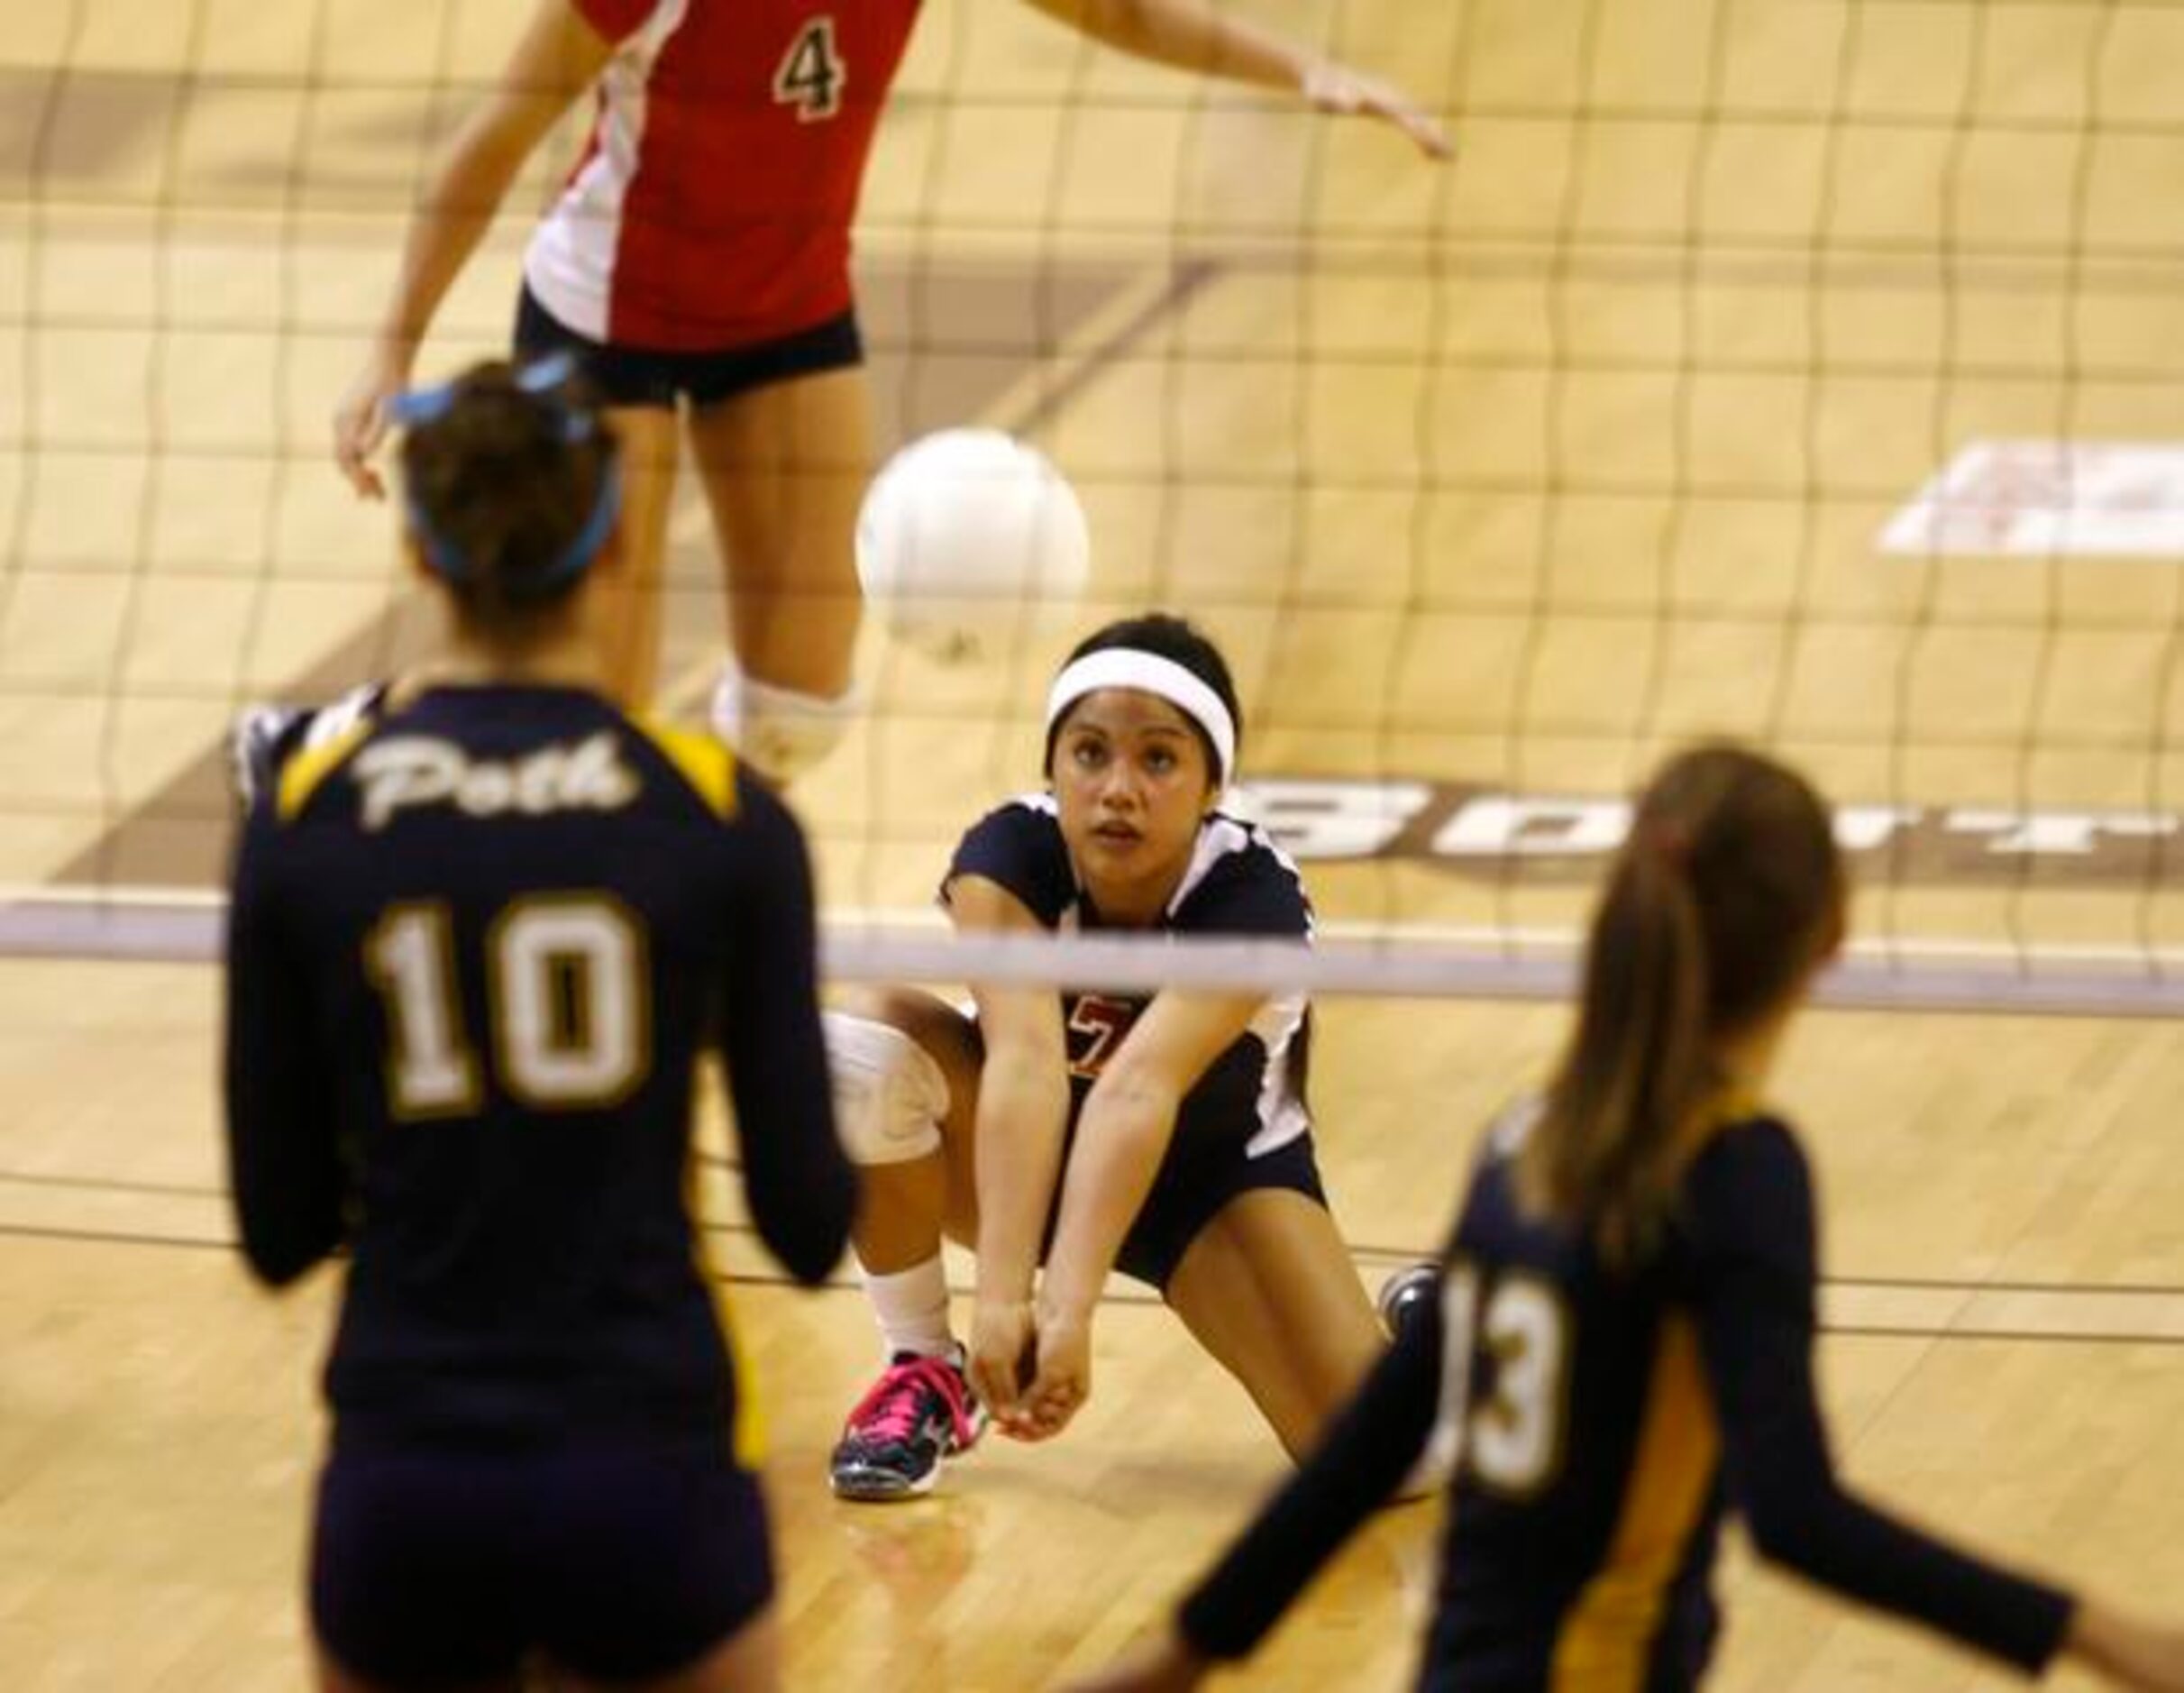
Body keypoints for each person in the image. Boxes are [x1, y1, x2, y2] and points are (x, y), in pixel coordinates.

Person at [1064, 743, 2184, 1693]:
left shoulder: (1527, 1136)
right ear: (1827, 941)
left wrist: (1186, 1647)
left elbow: (1371, 1440)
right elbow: (1792, 1514)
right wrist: (2095, 1631)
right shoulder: (1736, 1172)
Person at [330, 0, 1449, 782]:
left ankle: (689, 890)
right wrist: (391, 347)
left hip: (784, 314)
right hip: (602, 323)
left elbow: (1117, 9)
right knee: (590, 724)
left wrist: (1302, 70)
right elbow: (493, 140)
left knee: (798, 714)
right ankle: (374, 772)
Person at [225, 356, 856, 1693]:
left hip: (407, 1472)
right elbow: (806, 1228)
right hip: (647, 1465)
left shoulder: (303, 822)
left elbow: (280, 1231)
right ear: (619, 536)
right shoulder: (720, 817)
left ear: (416, 546)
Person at [825, 612, 1396, 1501]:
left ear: (1213, 786)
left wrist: (1067, 1313)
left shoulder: (1251, 900)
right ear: (1052, 769)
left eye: (1158, 760)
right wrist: (1002, 1302)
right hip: (1025, 1158)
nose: (1117, 789)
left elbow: (1136, 1090)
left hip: (1206, 1191)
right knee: (862, 1047)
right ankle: (920, 1366)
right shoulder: (1005, 860)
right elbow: (1021, 1066)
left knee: (1377, 1465)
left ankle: (1436, 1340)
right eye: (1088, 754)